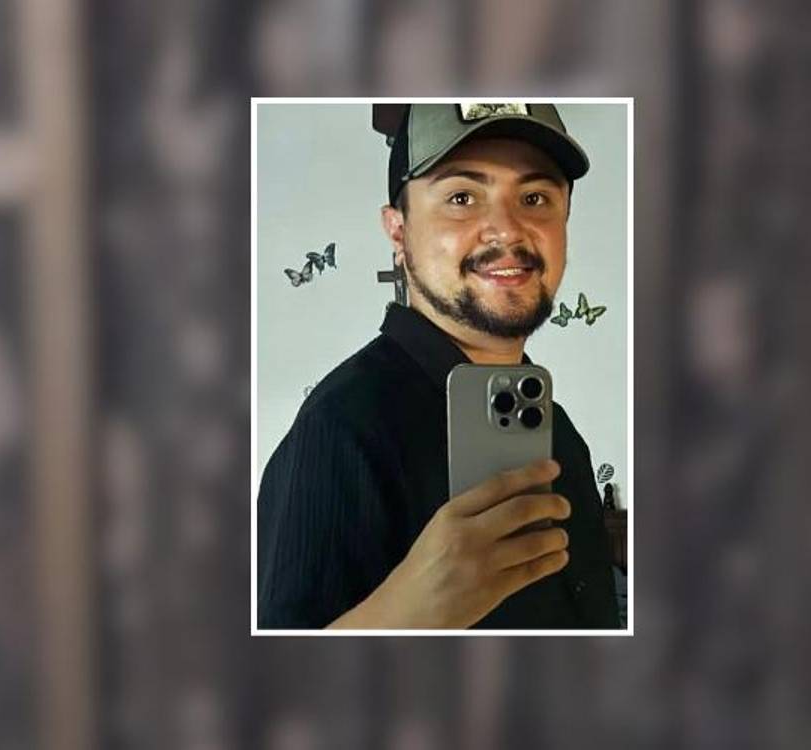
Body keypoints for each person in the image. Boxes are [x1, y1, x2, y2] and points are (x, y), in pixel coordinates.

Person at [256, 103, 619, 629]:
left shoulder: (556, 430)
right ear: (398, 231)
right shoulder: (341, 428)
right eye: (461, 198)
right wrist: (399, 615)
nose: (506, 231)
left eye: (534, 198)